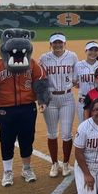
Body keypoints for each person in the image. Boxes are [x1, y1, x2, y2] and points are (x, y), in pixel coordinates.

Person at [0, 28, 49, 187]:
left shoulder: (32, 64)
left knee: (27, 140)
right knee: (6, 141)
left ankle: (26, 168)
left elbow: (41, 83)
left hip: (27, 108)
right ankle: (7, 172)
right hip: (5, 109)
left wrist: (42, 101)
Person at [39, 32, 78, 178]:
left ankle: (66, 163)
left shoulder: (72, 56)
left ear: (65, 43)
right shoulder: (43, 58)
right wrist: (41, 99)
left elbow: (76, 75)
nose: (57, 45)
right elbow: (39, 79)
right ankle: (54, 163)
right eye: (55, 42)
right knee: (52, 133)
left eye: (60, 42)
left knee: (67, 133)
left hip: (67, 97)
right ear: (50, 44)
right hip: (50, 98)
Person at [74, 41, 98, 124]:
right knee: (83, 125)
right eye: (91, 50)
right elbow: (74, 81)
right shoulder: (78, 65)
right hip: (82, 101)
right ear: (85, 51)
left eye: (96, 50)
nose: (93, 52)